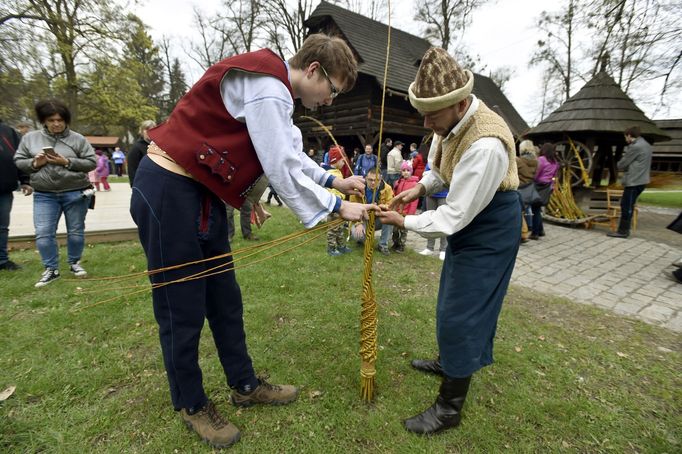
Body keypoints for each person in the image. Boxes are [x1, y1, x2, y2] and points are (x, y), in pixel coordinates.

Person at [128, 33, 375, 449]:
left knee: (225, 299)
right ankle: (192, 403)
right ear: (313, 70)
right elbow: (278, 166)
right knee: (181, 308)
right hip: (169, 190)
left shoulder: (276, 92)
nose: (330, 101)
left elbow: (289, 153)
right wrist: (336, 207)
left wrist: (333, 179)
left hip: (199, 193)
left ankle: (244, 384)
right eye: (332, 89)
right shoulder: (269, 87)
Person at [377, 47, 521, 435]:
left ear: (459, 104)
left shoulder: (486, 144)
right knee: (450, 299)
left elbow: (453, 217)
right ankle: (450, 360)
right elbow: (442, 172)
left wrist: (403, 222)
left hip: (490, 226)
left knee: (465, 311)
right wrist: (416, 189)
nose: (426, 121)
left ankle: (449, 408)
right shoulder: (448, 125)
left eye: (433, 113)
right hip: (470, 216)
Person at [14, 99, 96, 287]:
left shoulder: (78, 139)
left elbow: (91, 161)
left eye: (60, 120)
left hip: (75, 192)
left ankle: (74, 262)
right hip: (44, 194)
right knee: (43, 232)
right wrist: (35, 163)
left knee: (76, 232)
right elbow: (19, 160)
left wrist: (66, 162)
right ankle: (51, 269)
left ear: (66, 120)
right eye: (51, 120)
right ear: (44, 120)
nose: (56, 124)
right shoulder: (30, 138)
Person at [607, 126, 652, 238]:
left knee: (626, 206)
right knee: (628, 205)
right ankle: (624, 230)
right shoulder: (646, 144)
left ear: (629, 135)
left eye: (625, 136)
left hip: (634, 181)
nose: (625, 139)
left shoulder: (635, 147)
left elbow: (622, 164)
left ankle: (623, 231)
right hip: (641, 181)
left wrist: (618, 163)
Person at [0, 120, 33, 271]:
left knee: (2, 227)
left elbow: (21, 157)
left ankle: (2, 260)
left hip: (4, 187)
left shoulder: (8, 131)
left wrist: (25, 180)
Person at [350, 168, 394, 255]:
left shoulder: (387, 188)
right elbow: (352, 209)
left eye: (376, 180)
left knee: (390, 218)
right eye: (370, 180)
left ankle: (383, 245)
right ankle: (362, 238)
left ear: (381, 179)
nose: (373, 182)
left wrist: (381, 207)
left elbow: (390, 205)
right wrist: (358, 223)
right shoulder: (358, 189)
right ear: (366, 178)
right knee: (358, 236)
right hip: (363, 219)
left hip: (378, 219)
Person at [326, 146, 352, 256]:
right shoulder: (331, 174)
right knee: (333, 228)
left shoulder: (338, 171)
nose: (344, 163)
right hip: (333, 206)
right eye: (342, 161)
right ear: (335, 161)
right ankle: (331, 248)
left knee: (340, 226)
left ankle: (341, 246)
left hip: (340, 205)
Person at [530, 143, 559, 240]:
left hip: (538, 186)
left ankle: (535, 233)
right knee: (538, 209)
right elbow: (554, 176)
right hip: (547, 187)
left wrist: (531, 180)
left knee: (535, 210)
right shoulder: (555, 162)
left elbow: (536, 174)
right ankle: (541, 230)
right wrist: (552, 186)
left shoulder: (541, 160)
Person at [418, 163, 447, 260]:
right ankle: (429, 247)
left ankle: (443, 249)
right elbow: (425, 173)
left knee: (444, 222)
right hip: (430, 194)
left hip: (444, 194)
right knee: (430, 220)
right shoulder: (431, 160)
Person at [390, 161, 419, 253]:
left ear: (411, 171)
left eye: (408, 170)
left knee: (403, 230)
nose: (406, 172)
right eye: (403, 170)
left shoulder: (414, 184)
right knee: (394, 229)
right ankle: (395, 243)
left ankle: (401, 245)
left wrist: (411, 213)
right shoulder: (398, 182)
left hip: (406, 211)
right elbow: (395, 195)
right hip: (397, 210)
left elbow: (414, 200)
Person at [516, 139, 538, 242]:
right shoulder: (537, 162)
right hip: (530, 187)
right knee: (528, 209)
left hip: (520, 188)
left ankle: (523, 233)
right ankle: (529, 229)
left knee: (520, 211)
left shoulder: (518, 161)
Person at [127, 120, 156, 186]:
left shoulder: (158, 146)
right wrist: (135, 186)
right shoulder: (136, 148)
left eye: (152, 129)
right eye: (147, 129)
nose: (149, 131)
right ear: (142, 131)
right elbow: (132, 169)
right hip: (143, 184)